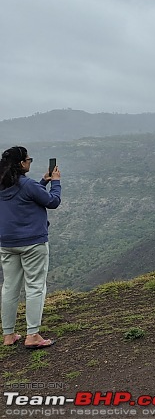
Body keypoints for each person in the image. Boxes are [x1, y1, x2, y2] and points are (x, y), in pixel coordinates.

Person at [0, 146, 61, 349]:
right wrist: (56, 182)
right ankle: (32, 335)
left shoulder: (3, 184)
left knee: (9, 287)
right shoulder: (27, 184)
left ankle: (8, 335)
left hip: (7, 243)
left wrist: (43, 181)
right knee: (35, 286)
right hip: (33, 242)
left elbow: (26, 195)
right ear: (20, 163)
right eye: (28, 159)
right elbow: (52, 202)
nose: (29, 162)